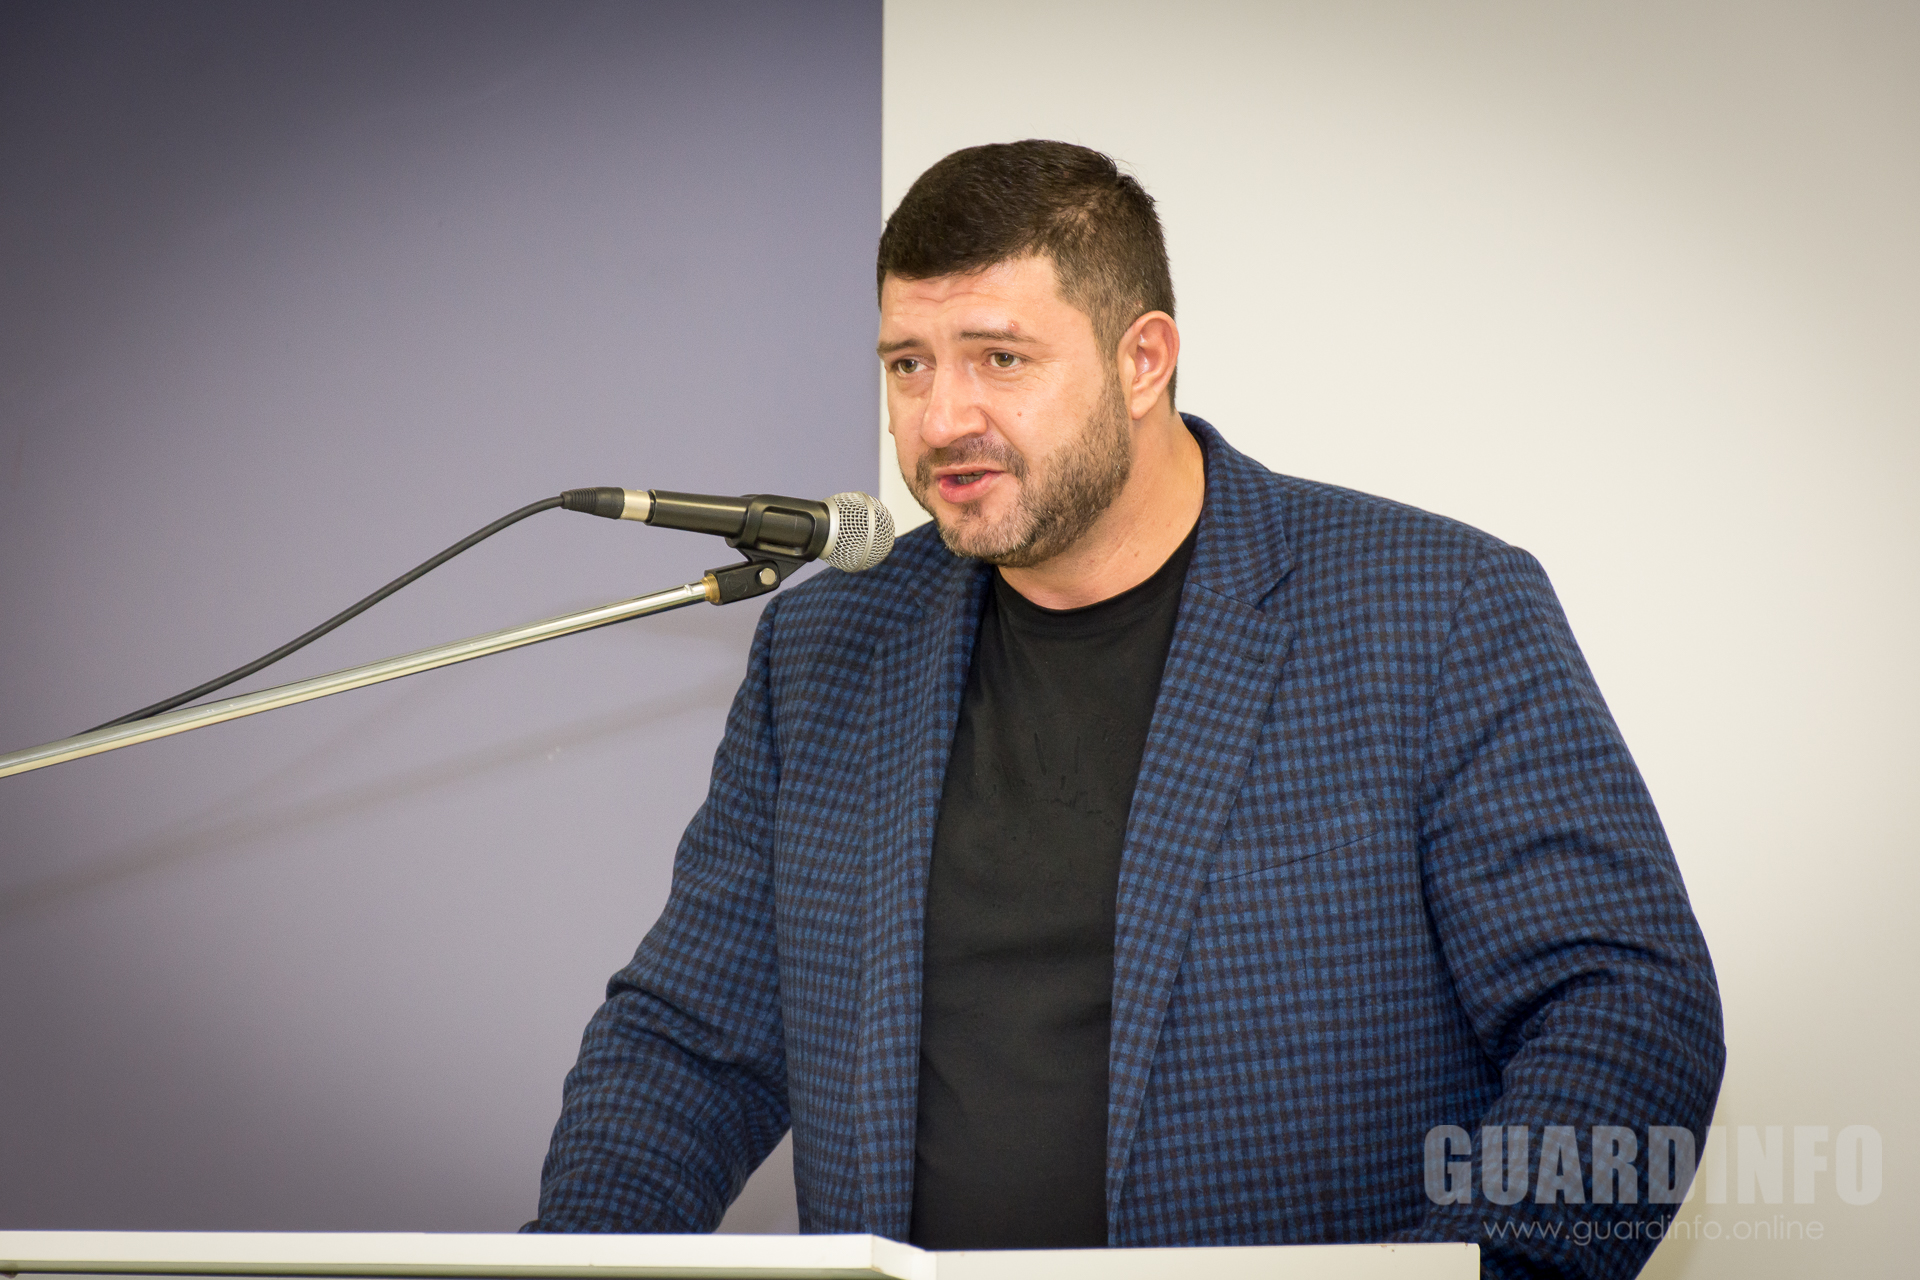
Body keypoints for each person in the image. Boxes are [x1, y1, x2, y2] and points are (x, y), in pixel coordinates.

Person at [527, 141, 1724, 1280]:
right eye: (908, 364)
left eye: (999, 358)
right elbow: (690, 1043)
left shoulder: (1433, 607)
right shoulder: (829, 643)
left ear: (1143, 359)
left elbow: (1627, 1010)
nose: (940, 419)